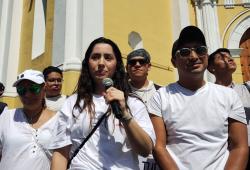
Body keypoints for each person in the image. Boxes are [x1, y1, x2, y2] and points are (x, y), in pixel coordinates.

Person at [148, 26, 248, 169]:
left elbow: (240, 147)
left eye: (200, 50)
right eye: (185, 52)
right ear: (174, 61)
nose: (194, 56)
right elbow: (159, 147)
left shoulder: (229, 96)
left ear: (206, 55)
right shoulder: (160, 97)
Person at [50, 37, 155, 170]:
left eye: (108, 57)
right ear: (87, 63)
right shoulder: (72, 103)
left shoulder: (133, 103)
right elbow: (60, 153)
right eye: (95, 57)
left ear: (117, 64)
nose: (101, 62)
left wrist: (125, 116)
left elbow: (145, 149)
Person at [0, 69, 58, 170]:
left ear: (44, 89)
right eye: (21, 90)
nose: (27, 95)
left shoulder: (58, 120)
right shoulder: (6, 117)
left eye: (33, 89)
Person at [207, 47, 250, 169]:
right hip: (222, 156)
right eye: (222, 58)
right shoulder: (207, 94)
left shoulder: (246, 89)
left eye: (230, 56)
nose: (229, 59)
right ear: (211, 68)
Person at [126, 48, 160, 170]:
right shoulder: (120, 93)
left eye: (141, 61)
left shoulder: (161, 92)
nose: (137, 65)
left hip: (157, 156)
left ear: (149, 66)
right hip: (129, 155)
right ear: (127, 68)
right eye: (132, 62)